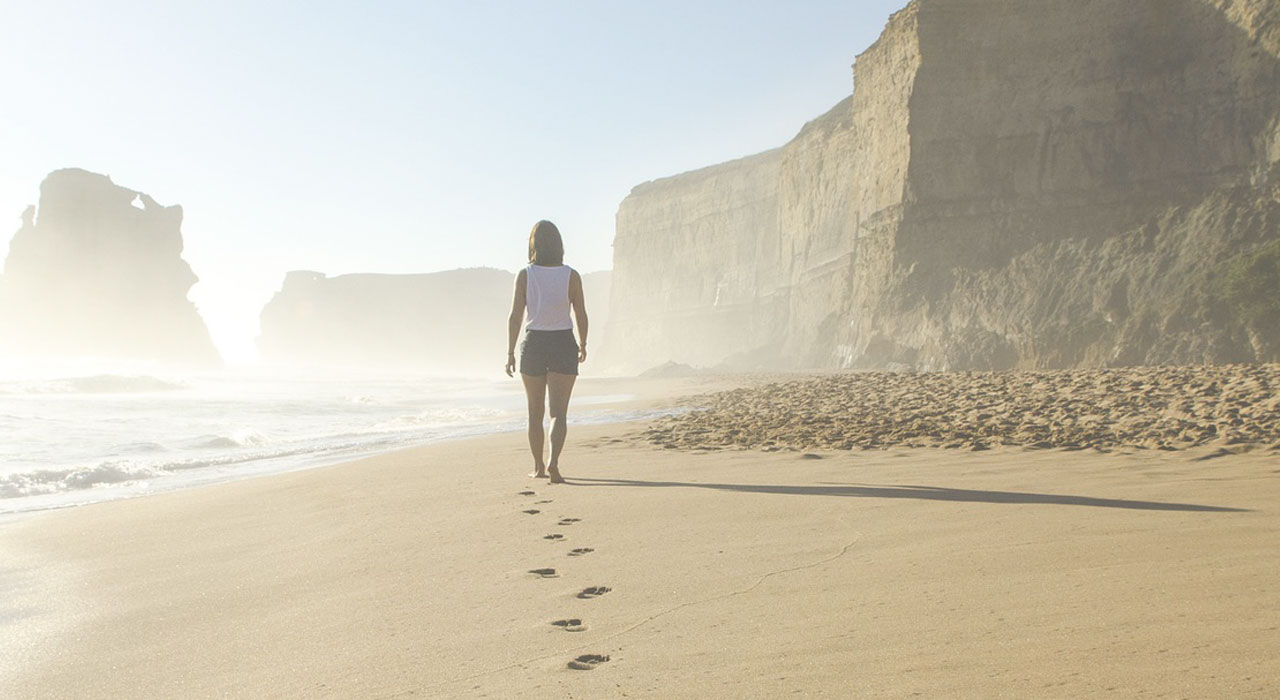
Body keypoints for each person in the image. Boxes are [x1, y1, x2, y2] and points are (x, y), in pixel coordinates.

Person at [505, 220, 588, 484]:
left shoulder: (526, 275)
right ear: (559, 245)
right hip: (563, 341)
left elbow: (515, 316)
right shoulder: (571, 275)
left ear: (533, 245)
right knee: (558, 414)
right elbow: (581, 313)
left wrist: (509, 352)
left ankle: (539, 466)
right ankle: (554, 463)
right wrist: (583, 343)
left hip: (535, 344)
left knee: (534, 412)